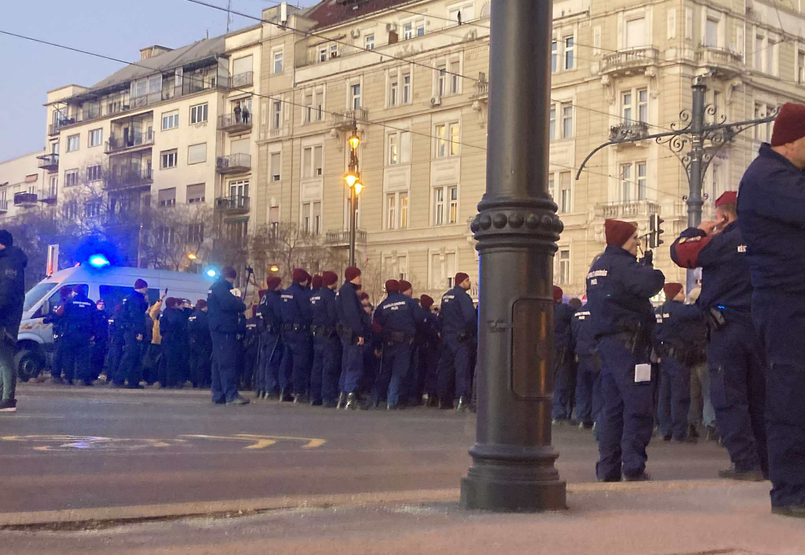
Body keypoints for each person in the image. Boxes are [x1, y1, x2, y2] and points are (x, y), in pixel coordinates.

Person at [736, 102, 805, 518]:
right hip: (786, 305)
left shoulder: (783, 176)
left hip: (793, 302)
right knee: (790, 398)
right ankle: (791, 492)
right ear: (795, 141)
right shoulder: (768, 178)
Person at [672, 190, 768, 480]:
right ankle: (766, 461)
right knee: (761, 397)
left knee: (729, 396)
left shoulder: (720, 243)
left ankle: (745, 463)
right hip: (761, 327)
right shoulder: (767, 239)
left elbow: (679, 252)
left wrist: (697, 231)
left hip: (727, 329)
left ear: (723, 217)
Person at [586, 219, 665, 482]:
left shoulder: (596, 267)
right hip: (631, 347)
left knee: (612, 408)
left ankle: (608, 468)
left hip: (608, 347)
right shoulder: (623, 265)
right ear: (622, 241)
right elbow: (652, 283)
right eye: (634, 240)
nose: (638, 244)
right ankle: (633, 465)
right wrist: (649, 268)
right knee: (638, 405)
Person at [654, 282, 701, 443]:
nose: (683, 295)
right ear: (676, 294)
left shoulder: (658, 311)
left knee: (664, 394)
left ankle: (664, 429)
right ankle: (679, 431)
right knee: (679, 395)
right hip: (679, 356)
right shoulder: (681, 310)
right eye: (681, 292)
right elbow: (699, 312)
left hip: (664, 356)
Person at [372, 280, 422, 410]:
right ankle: (392, 401)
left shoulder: (382, 306)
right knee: (399, 372)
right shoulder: (408, 302)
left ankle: (375, 399)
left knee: (385, 371)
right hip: (405, 342)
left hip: (388, 342)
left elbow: (376, 327)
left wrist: (377, 345)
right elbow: (419, 318)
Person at [207, 267, 249, 405]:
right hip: (224, 330)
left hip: (217, 330)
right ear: (230, 277)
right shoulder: (221, 289)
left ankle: (218, 394)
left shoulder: (215, 288)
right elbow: (228, 304)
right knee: (227, 362)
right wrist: (241, 305)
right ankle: (231, 394)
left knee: (218, 363)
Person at [437, 272, 477, 411]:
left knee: (445, 369)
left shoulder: (445, 296)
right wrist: (472, 332)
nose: (469, 282)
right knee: (462, 369)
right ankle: (463, 399)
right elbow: (470, 317)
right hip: (461, 337)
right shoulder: (463, 296)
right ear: (462, 281)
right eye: (467, 280)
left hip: (447, 337)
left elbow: (441, 317)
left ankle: (444, 399)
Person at [0, 230, 27, 413]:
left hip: (4, 320)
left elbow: (6, 294)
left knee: (5, 357)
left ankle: (8, 398)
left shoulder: (9, 262)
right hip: (8, 318)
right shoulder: (10, 260)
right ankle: (5, 396)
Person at [684, 287, 715, 440]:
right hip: (705, 357)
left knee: (694, 394)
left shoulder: (685, 316)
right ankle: (710, 424)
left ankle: (691, 423)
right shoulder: (703, 314)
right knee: (708, 393)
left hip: (691, 358)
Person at [335, 266, 368, 409]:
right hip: (352, 334)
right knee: (353, 365)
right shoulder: (349, 291)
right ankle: (350, 396)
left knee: (346, 364)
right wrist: (359, 332)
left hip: (345, 332)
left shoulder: (342, 291)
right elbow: (352, 314)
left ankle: (343, 396)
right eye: (358, 276)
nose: (360, 278)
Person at [280, 268, 313, 403]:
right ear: (303, 280)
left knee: (287, 362)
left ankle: (285, 390)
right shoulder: (301, 294)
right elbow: (307, 313)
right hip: (299, 332)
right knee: (299, 363)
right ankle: (299, 392)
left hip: (286, 331)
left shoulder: (285, 293)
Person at [309, 271, 341, 407]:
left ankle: (315, 396)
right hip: (328, 335)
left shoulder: (315, 296)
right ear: (331, 282)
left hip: (317, 334)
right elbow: (333, 316)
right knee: (329, 366)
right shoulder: (330, 297)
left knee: (317, 366)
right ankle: (328, 397)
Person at [59, 285, 96, 387]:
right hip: (85, 334)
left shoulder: (69, 302)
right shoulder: (90, 303)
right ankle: (82, 379)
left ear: (75, 292)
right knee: (83, 358)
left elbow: (60, 315)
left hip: (70, 333)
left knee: (69, 357)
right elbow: (95, 319)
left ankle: (68, 378)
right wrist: (93, 333)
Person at [117, 279, 150, 389]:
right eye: (146, 287)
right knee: (132, 356)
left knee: (132, 356)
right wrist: (139, 332)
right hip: (133, 331)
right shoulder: (136, 299)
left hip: (129, 330)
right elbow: (137, 317)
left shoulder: (129, 298)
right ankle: (123, 380)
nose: (147, 290)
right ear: (143, 287)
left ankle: (129, 380)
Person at [572, 299, 599, 430]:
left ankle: (583, 417)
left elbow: (573, 332)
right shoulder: (599, 310)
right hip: (596, 352)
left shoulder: (578, 312)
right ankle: (596, 418)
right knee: (597, 386)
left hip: (581, 352)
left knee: (583, 386)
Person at [552, 286, 576, 424]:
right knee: (561, 382)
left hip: (546, 351)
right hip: (561, 351)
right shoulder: (563, 310)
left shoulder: (542, 310)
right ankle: (558, 414)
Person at [259, 276, 285, 400]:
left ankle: (263, 387)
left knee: (264, 360)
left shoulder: (264, 297)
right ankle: (271, 388)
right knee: (272, 360)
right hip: (274, 332)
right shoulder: (274, 298)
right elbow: (279, 314)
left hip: (265, 331)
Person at [44, 286, 73, 384]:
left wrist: (46, 319)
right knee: (62, 353)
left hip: (60, 331)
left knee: (59, 353)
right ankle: (61, 375)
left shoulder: (61, 303)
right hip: (63, 331)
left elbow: (56, 315)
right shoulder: (65, 303)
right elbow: (57, 315)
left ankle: (56, 375)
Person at [160, 298, 189, 388]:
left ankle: (164, 381)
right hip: (173, 340)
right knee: (172, 361)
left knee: (167, 361)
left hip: (167, 339)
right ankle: (171, 382)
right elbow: (178, 324)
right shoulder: (173, 314)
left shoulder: (165, 312)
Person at [187, 299, 212, 389]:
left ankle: (194, 381)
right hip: (202, 342)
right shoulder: (203, 316)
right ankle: (200, 382)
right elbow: (206, 329)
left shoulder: (192, 315)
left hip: (192, 341)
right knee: (202, 363)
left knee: (193, 362)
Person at [89, 299, 110, 384]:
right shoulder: (93, 315)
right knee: (93, 358)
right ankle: (91, 376)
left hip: (103, 340)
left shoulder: (105, 314)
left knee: (100, 359)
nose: (101, 305)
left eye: (103, 304)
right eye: (100, 304)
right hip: (95, 340)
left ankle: (96, 375)